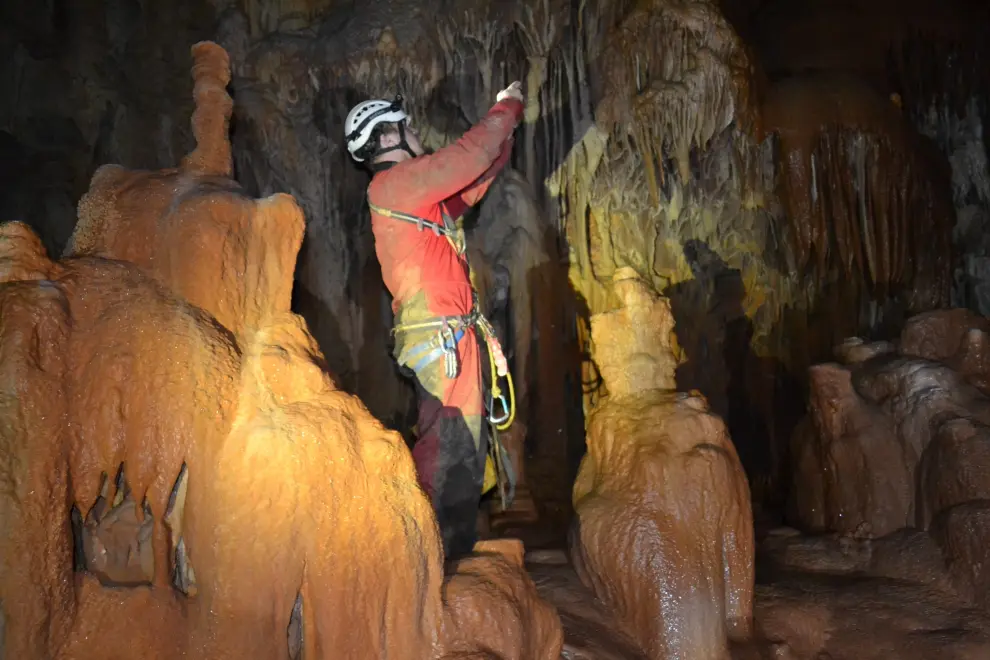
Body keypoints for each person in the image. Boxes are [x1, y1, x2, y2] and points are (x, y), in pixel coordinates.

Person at [344, 81, 524, 558]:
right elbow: (466, 157)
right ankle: (433, 565)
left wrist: (501, 145)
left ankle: (443, 558)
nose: (415, 133)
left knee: (460, 451)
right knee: (449, 452)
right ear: (386, 139)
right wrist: (507, 107)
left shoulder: (411, 198)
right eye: (407, 127)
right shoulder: (394, 184)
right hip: (442, 341)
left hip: (452, 338)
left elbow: (467, 189)